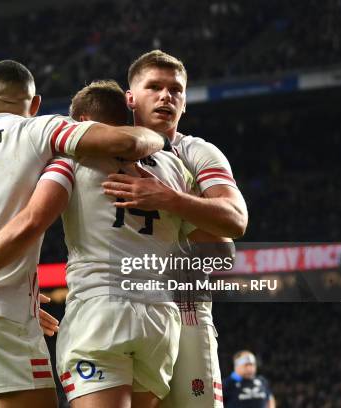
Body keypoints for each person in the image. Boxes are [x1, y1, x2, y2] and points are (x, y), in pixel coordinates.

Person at [0, 78, 207, 408]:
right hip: (161, 317)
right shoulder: (176, 169)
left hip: (99, 311)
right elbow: (216, 238)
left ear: (82, 125)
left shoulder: (69, 158)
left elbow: (32, 218)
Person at [102, 49, 248, 408]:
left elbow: (234, 222)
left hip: (186, 311)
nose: (166, 95)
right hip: (116, 307)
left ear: (185, 103)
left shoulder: (196, 151)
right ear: (130, 98)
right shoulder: (100, 148)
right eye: (154, 86)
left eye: (176, 89)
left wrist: (167, 198)